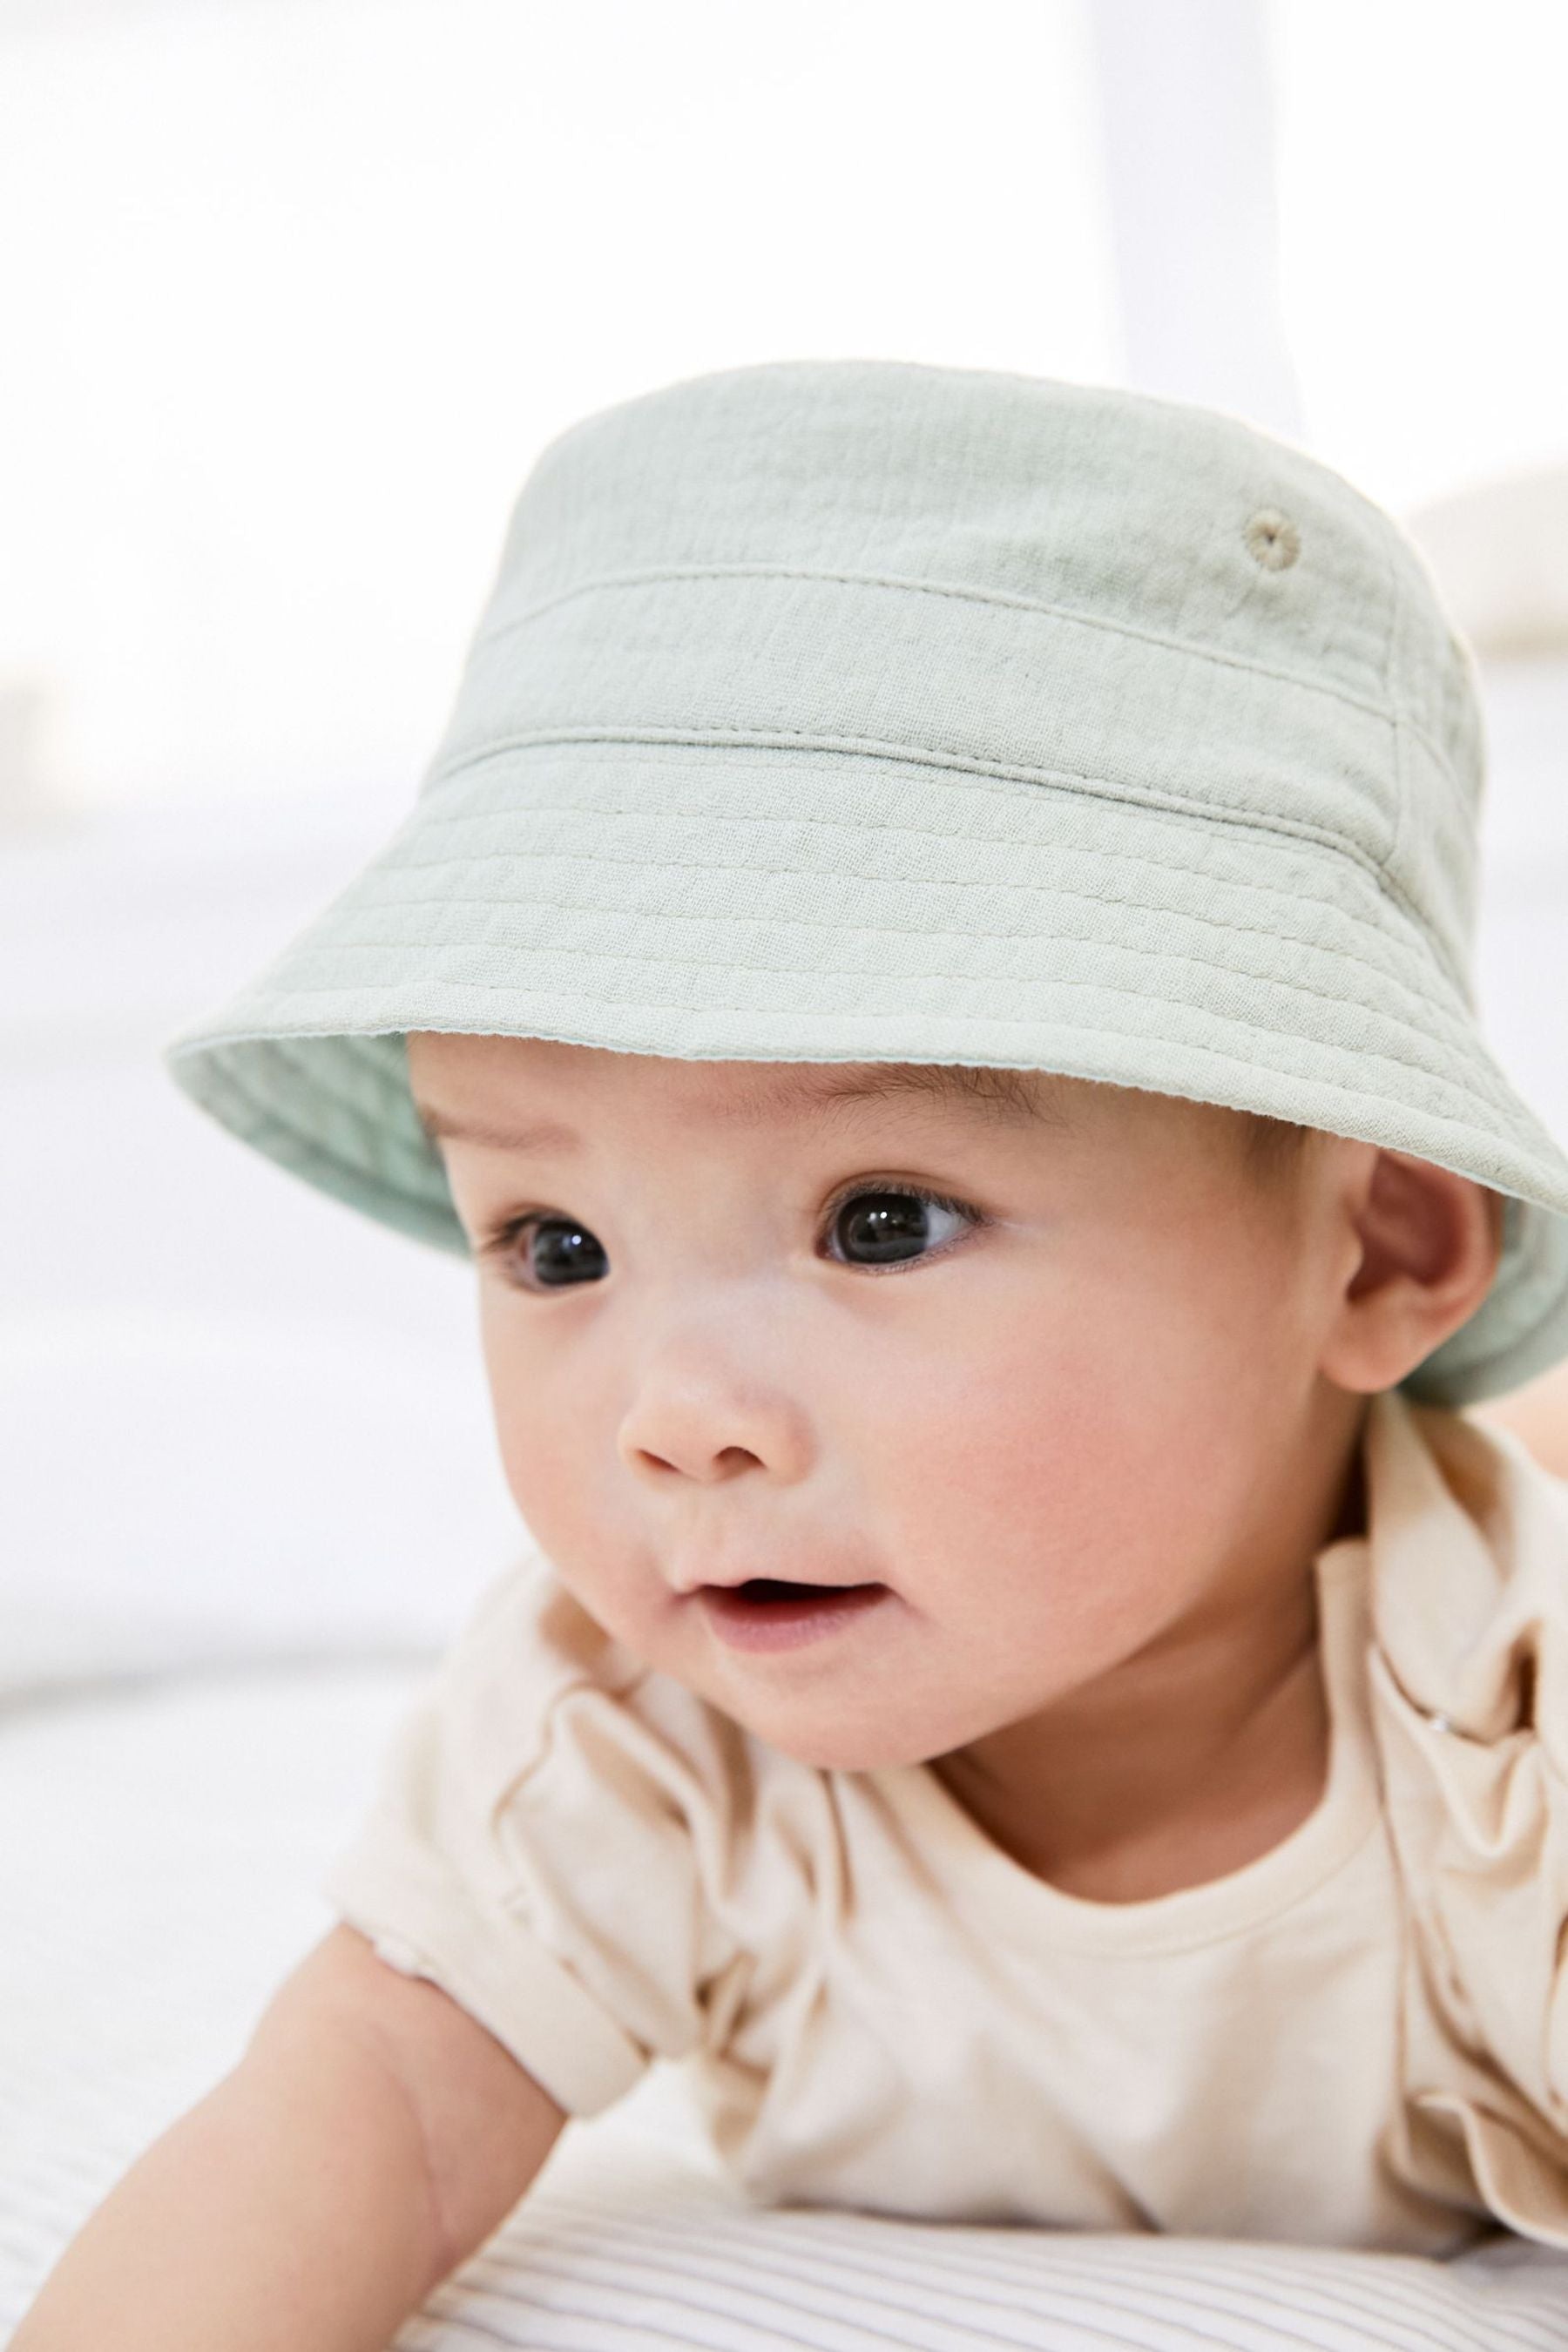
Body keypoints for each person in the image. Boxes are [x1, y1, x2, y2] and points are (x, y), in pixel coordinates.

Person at [18, 357, 1568, 2348]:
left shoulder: (1506, 1739)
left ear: (1379, 1248)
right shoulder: (628, 1748)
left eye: (882, 1221)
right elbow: (369, 2108)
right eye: (553, 1243)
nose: (675, 1421)